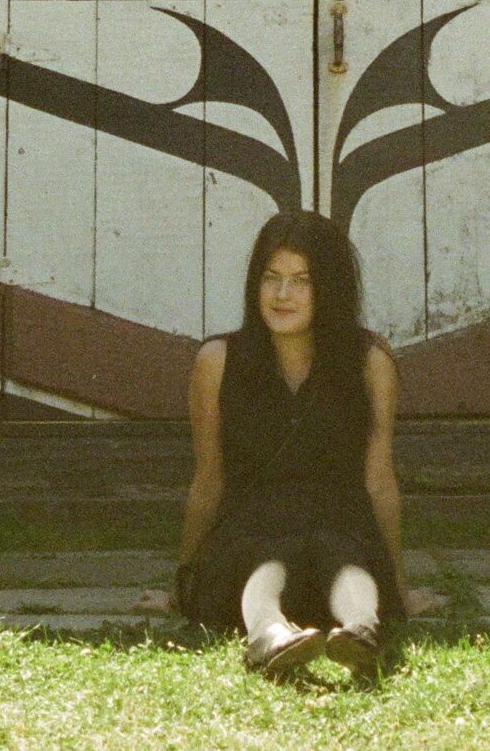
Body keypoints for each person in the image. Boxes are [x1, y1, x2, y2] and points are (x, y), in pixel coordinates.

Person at [173, 209, 407, 680]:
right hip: (250, 534)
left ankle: (362, 630)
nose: (282, 295)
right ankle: (269, 634)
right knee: (265, 560)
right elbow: (208, 479)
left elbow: (379, 479)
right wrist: (183, 581)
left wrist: (400, 584)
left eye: (302, 281)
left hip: (340, 526)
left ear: (330, 289)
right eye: (271, 278)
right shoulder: (218, 360)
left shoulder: (369, 362)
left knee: (344, 556)